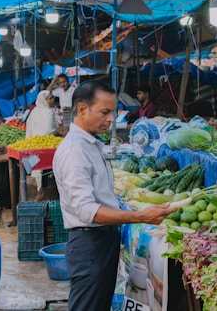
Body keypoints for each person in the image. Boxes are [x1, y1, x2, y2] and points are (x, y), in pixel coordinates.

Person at [52, 80, 176, 311]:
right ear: (81, 110)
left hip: (101, 241)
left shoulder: (90, 144)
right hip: (89, 244)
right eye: (105, 112)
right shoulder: (74, 152)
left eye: (113, 112)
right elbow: (86, 210)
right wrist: (140, 216)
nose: (111, 119)